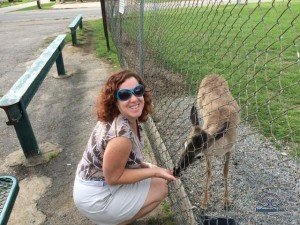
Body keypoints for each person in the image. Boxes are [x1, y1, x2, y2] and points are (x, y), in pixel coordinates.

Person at [73, 69, 176, 225]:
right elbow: (113, 178)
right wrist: (154, 171)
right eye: (124, 95)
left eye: (138, 91)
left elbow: (124, 163)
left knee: (155, 178)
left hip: (94, 183)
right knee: (161, 187)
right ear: (115, 100)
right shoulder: (121, 136)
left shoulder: (124, 117)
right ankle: (115, 222)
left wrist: (146, 167)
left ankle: (115, 216)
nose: (134, 98)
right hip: (95, 196)